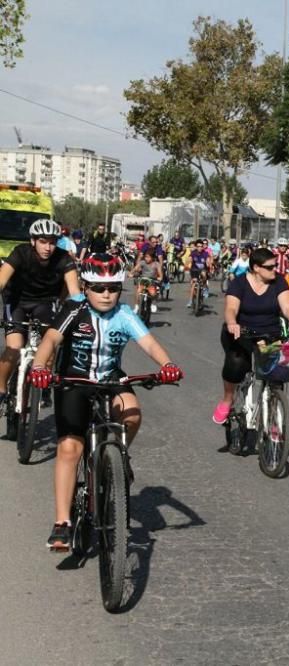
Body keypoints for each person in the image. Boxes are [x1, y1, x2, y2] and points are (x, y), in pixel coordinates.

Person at [28, 253, 183, 550]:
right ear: (85, 287)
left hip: (111, 378)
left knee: (133, 414)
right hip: (73, 381)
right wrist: (39, 368)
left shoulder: (124, 314)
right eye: (98, 288)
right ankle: (62, 522)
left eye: (113, 287)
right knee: (70, 448)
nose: (106, 294)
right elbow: (50, 340)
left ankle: (114, 457)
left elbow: (148, 342)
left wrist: (167, 365)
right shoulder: (74, 309)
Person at [213, 248, 289, 424]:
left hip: (269, 333)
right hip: (241, 332)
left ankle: (274, 419)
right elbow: (231, 308)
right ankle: (228, 399)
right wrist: (232, 323)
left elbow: (288, 308)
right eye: (270, 267)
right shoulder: (239, 283)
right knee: (236, 363)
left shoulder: (279, 282)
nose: (275, 270)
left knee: (277, 372)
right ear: (256, 268)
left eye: (275, 266)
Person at [0, 219, 81, 407]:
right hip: (16, 302)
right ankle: (2, 388)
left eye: (52, 242)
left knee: (50, 341)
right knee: (14, 348)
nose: (48, 247)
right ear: (33, 241)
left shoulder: (64, 258)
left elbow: (75, 292)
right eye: (43, 241)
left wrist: (82, 312)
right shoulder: (21, 253)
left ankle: (44, 381)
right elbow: (2, 279)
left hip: (45, 303)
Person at [185, 238, 214, 308]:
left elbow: (208, 260)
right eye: (198, 246)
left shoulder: (205, 253)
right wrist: (188, 262)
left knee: (204, 274)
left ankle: (204, 287)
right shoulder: (193, 253)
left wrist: (208, 263)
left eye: (201, 246)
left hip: (202, 270)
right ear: (196, 246)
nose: (200, 248)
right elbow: (189, 259)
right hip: (194, 270)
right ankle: (190, 301)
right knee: (193, 283)